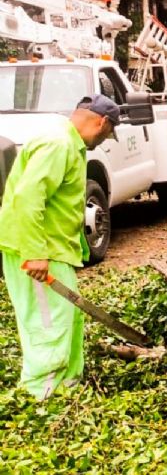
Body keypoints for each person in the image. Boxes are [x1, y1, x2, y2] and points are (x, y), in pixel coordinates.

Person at [0, 95, 119, 400]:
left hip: (53, 250)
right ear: (101, 122)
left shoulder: (69, 142)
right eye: (107, 133)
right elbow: (28, 198)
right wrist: (35, 253)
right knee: (48, 324)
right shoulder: (58, 144)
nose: (103, 140)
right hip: (38, 252)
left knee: (68, 318)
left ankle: (68, 393)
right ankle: (43, 400)